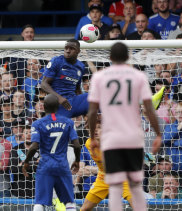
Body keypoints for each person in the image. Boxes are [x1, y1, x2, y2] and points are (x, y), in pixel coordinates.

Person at [87, 42, 162, 211]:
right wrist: (158, 134)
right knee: (135, 186)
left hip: (111, 139)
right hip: (133, 138)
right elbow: (149, 108)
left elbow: (92, 112)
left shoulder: (99, 77)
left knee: (115, 187)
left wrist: (92, 137)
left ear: (110, 58)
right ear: (128, 57)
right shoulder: (138, 76)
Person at [22, 94, 81, 211]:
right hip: (62, 166)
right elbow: (77, 145)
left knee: (40, 203)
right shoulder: (68, 122)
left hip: (45, 166)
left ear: (43, 107)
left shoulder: (38, 124)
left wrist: (26, 161)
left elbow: (34, 146)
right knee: (69, 202)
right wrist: (77, 161)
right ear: (59, 106)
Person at [80, 120, 133, 211]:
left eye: (99, 128)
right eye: (93, 128)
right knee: (84, 208)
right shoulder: (88, 144)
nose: (95, 130)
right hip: (103, 178)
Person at [41, 39, 88, 118]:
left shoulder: (81, 66)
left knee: (94, 95)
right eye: (66, 48)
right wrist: (59, 98)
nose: (68, 51)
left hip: (73, 102)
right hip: (59, 104)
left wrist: (85, 111)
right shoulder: (57, 61)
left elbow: (77, 89)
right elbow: (44, 84)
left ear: (78, 51)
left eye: (71, 48)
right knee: (62, 128)